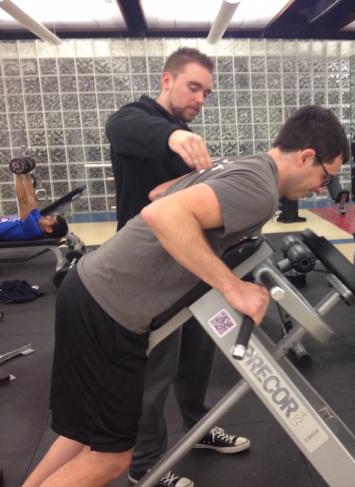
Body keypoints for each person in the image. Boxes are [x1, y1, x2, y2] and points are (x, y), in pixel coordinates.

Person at [21, 105, 349, 487]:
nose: (321, 188)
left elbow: (159, 193)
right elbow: (164, 214)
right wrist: (232, 286)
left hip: (87, 289)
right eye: (325, 176)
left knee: (82, 436)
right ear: (307, 156)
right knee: (110, 459)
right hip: (109, 310)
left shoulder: (241, 164)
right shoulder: (260, 190)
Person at [105, 47, 245, 487]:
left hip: (187, 262)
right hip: (147, 268)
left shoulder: (182, 131)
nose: (201, 98)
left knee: (199, 351)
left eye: (206, 92)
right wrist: (171, 137)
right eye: (193, 87)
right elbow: (119, 126)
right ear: (167, 80)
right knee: (156, 366)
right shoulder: (139, 120)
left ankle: (199, 428)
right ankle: (146, 464)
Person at [0, 170, 68, 241]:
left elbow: (23, 200)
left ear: (48, 229)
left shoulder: (33, 230)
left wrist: (17, 174)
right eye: (51, 217)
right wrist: (26, 173)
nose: (48, 216)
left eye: (50, 220)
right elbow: (31, 196)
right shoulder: (37, 220)